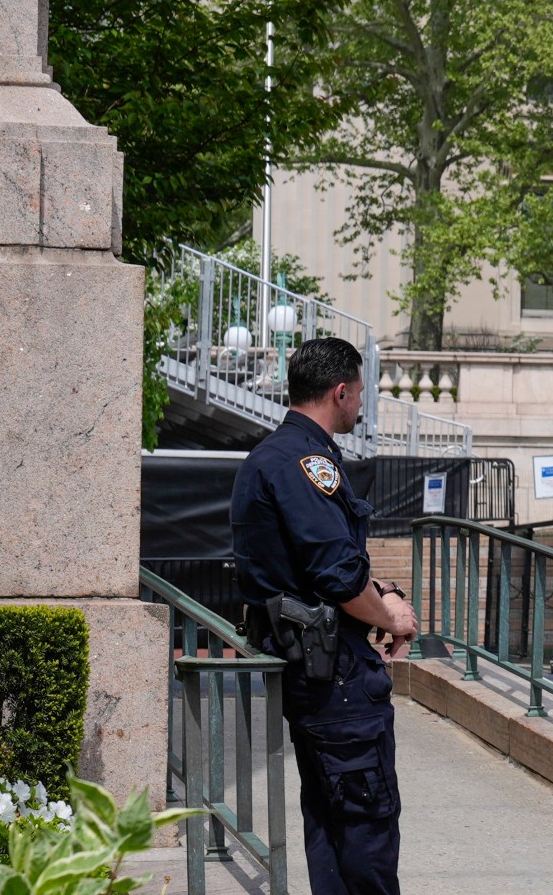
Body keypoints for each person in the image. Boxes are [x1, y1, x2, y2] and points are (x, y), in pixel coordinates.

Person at [232, 336, 419, 895]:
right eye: (359, 394)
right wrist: (390, 619)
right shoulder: (306, 462)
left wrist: (379, 591)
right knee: (365, 824)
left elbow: (314, 569)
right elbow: (336, 577)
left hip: (310, 672)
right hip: (334, 678)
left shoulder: (268, 457)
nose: (360, 405)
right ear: (340, 391)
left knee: (330, 821)